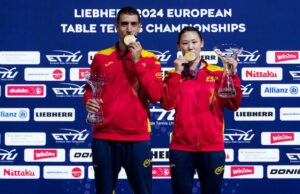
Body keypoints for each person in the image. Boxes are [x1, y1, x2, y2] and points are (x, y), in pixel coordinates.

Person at [83, 6, 163, 194]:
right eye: (124, 24)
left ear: (139, 28)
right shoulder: (101, 57)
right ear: (116, 27)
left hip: (137, 137)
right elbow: (89, 90)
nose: (129, 29)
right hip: (104, 137)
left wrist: (138, 62)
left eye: (133, 24)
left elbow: (156, 95)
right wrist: (88, 101)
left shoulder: (150, 59)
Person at [161, 26, 242, 194]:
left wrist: (232, 76)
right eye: (185, 43)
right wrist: (177, 74)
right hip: (181, 148)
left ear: (202, 44)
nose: (190, 47)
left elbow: (233, 105)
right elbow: (167, 104)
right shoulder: (171, 74)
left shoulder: (219, 73)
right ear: (178, 46)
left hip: (212, 148)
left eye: (194, 42)